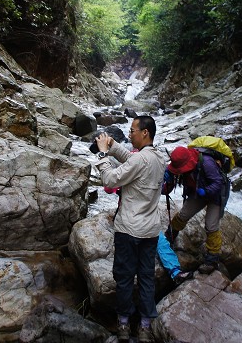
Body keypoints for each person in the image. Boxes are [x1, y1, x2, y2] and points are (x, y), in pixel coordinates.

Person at [94, 115, 166, 343]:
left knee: (124, 278)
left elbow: (110, 180)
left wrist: (103, 153)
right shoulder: (160, 158)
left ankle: (124, 324)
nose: (130, 133)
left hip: (128, 230)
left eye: (133, 130)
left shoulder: (139, 161)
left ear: (145, 132)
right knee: (146, 278)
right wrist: (114, 147)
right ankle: (145, 327)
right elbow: (135, 160)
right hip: (151, 230)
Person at [163, 146, 229, 275]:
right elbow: (166, 189)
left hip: (215, 195)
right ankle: (170, 235)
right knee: (183, 214)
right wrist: (166, 181)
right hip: (198, 192)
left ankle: (212, 259)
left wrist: (206, 191)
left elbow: (218, 182)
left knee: (211, 225)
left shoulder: (207, 163)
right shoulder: (177, 166)